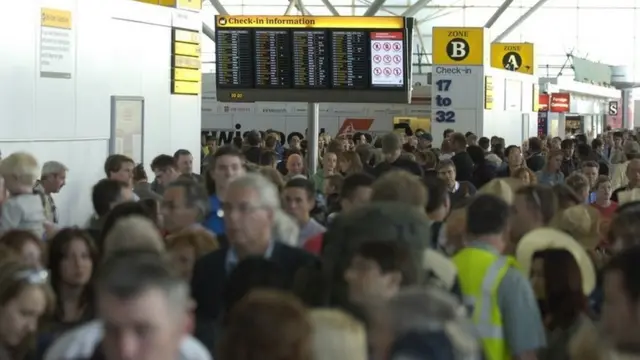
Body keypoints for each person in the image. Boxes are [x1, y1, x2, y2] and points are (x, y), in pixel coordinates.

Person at [453, 194, 546, 360]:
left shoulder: (445, 269)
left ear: (466, 229)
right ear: (506, 230)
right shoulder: (510, 277)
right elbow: (526, 352)